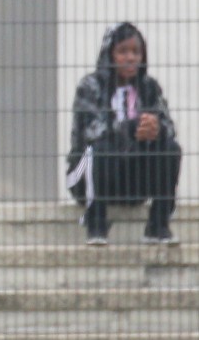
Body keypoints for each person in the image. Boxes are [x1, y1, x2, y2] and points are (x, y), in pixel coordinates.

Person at [65, 22, 181, 246]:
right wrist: (130, 127)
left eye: (136, 52)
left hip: (130, 180)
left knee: (170, 148)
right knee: (99, 149)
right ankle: (96, 224)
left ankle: (158, 226)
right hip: (87, 177)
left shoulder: (149, 88)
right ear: (110, 55)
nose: (130, 58)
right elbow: (90, 132)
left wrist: (156, 129)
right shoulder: (90, 86)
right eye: (123, 52)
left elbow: (169, 127)